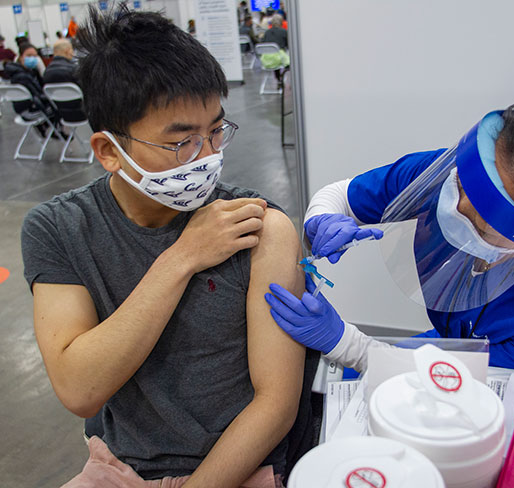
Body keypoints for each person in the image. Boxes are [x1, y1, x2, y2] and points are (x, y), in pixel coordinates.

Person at [22, 6, 311, 487]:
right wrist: (182, 256)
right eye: (183, 143)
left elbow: (276, 403)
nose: (209, 156)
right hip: (118, 467)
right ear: (110, 152)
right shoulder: (59, 229)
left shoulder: (259, 227)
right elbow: (79, 388)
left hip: (239, 465)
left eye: (216, 130)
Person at [265, 100, 514, 371]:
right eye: (463, 184)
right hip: (454, 342)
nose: (454, 207)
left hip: (510, 384)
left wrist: (344, 344)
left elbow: (473, 384)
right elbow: (339, 195)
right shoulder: (448, 176)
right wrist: (321, 218)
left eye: (484, 219)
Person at [4, 42, 62, 137]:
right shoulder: (22, 76)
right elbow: (36, 95)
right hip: (29, 112)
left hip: (29, 109)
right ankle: (55, 131)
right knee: (61, 107)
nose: (33, 59)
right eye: (29, 55)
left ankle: (50, 130)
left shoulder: (28, 71)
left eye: (35, 56)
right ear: (21, 56)